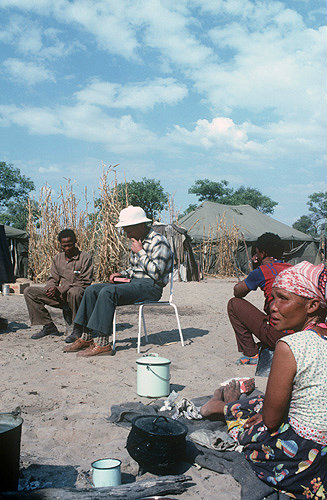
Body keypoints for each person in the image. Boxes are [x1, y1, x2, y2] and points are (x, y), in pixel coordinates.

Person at [201, 261, 327, 499]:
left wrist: (271, 417)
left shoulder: (290, 346)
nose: (272, 306)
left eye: (283, 299)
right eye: (273, 298)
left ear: (312, 305)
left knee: (253, 427)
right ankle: (226, 405)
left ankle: (221, 407)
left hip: (305, 461)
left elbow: (270, 423)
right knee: (261, 406)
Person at [64, 206, 173, 357]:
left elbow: (157, 274)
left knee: (108, 292)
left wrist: (140, 252)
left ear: (140, 225)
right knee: (92, 290)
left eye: (128, 230)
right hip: (135, 283)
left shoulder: (159, 241)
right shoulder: (138, 240)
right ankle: (86, 336)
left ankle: (103, 344)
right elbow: (135, 269)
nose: (126, 234)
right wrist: (121, 274)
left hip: (151, 287)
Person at [228, 232, 292, 365]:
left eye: (257, 252)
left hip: (279, 334)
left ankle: (251, 353)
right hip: (300, 333)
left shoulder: (262, 271)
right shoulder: (294, 269)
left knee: (234, 304)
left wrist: (257, 268)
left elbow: (237, 293)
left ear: (262, 253)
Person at [24, 229, 93, 342]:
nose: (67, 249)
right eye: (64, 246)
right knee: (29, 292)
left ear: (75, 242)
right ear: (60, 245)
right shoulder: (58, 258)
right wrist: (51, 288)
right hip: (61, 296)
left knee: (75, 292)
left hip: (77, 298)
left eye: (70, 245)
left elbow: (84, 282)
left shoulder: (85, 258)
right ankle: (48, 326)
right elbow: (52, 278)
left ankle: (77, 328)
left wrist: (61, 289)